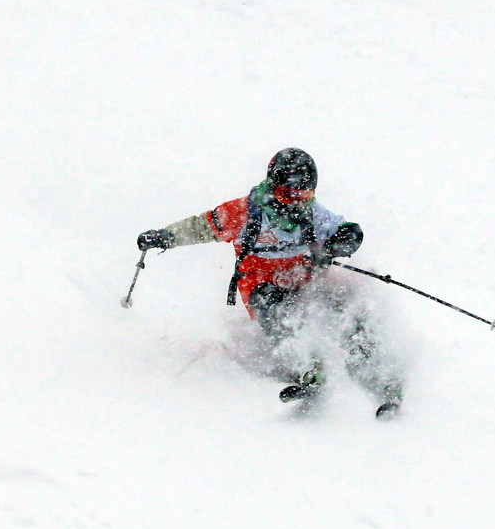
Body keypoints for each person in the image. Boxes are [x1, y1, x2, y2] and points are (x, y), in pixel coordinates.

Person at [136, 148, 402, 417]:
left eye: (304, 194)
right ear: (273, 186)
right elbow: (200, 227)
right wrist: (164, 237)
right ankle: (306, 368)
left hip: (304, 282)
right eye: (288, 194)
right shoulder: (244, 212)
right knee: (277, 311)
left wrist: (334, 246)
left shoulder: (313, 214)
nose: (296, 202)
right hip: (262, 286)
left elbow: (350, 232)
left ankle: (379, 372)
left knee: (347, 301)